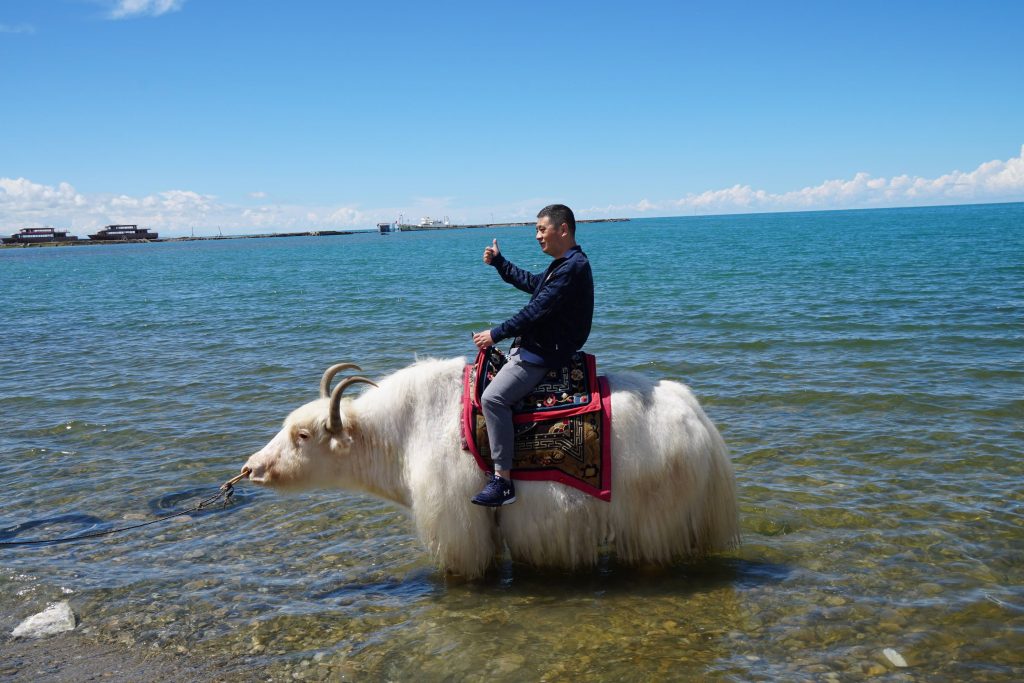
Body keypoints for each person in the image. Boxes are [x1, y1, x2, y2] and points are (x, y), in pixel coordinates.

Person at [470, 204, 594, 506]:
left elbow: (536, 311)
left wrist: (495, 334)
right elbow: (530, 283)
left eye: (541, 229)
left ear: (562, 229)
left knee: (493, 399)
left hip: (542, 353)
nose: (537, 236)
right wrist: (500, 263)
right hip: (538, 346)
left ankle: (503, 481)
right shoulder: (562, 265)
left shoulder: (573, 268)